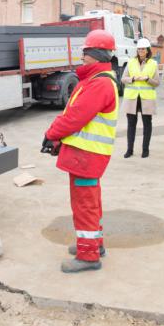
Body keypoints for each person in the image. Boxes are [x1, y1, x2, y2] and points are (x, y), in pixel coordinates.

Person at [44, 29, 119, 273]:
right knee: (91, 200)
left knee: (84, 203)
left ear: (97, 56)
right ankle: (94, 243)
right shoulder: (97, 80)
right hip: (87, 154)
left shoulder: (99, 84)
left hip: (86, 156)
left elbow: (75, 117)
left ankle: (88, 256)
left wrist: (51, 134)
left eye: (86, 53)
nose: (82, 57)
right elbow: (75, 115)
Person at [120, 38, 159, 158]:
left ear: (147, 50)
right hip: (132, 98)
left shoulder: (153, 64)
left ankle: (145, 150)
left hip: (146, 99)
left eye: (143, 49)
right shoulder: (131, 62)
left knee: (147, 124)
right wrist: (132, 79)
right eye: (139, 49)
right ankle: (129, 149)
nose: (141, 51)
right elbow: (123, 78)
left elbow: (157, 83)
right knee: (131, 124)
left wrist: (147, 79)